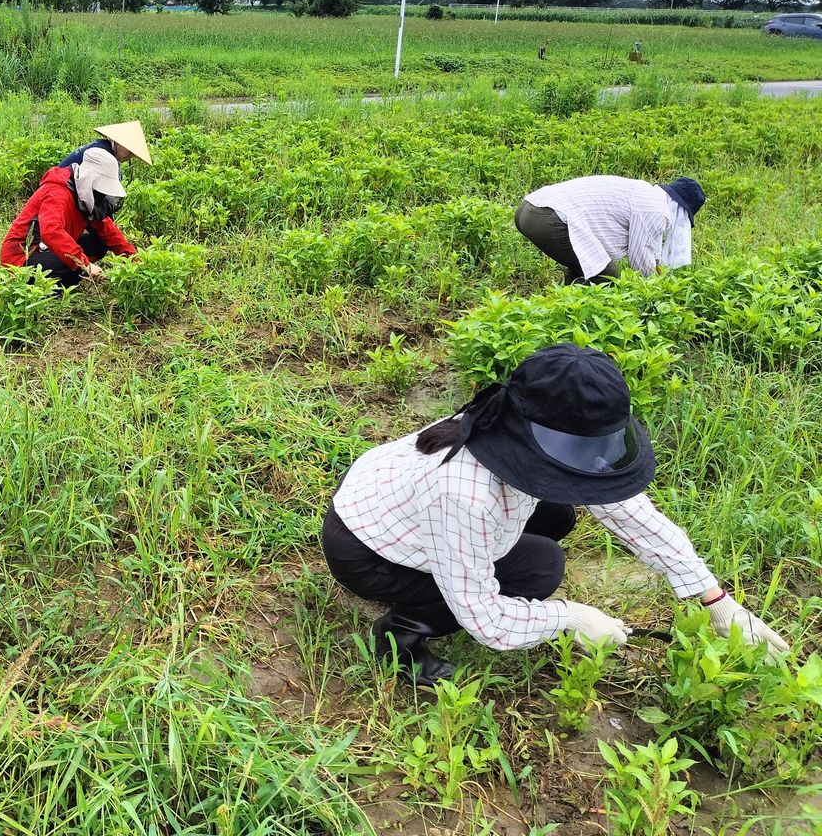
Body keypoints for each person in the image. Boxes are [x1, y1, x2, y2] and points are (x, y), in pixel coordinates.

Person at [321, 343, 787, 687]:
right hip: (366, 548)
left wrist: (716, 601)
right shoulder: (464, 494)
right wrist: (570, 618)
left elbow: (630, 513)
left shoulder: (504, 421)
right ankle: (401, 635)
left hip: (399, 503)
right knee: (540, 571)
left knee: (558, 518)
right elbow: (486, 619)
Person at [514, 176, 705, 285]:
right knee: (605, 273)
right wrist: (655, 292)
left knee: (588, 263)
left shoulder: (645, 192)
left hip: (529, 208)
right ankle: (578, 319)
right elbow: (641, 261)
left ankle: (565, 305)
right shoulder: (654, 208)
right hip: (547, 217)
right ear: (680, 209)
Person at [0, 146, 137, 287]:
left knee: (100, 243)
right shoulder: (57, 192)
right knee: (68, 264)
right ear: (91, 181)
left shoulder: (83, 194)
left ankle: (68, 278)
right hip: (21, 261)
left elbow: (107, 230)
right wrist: (84, 264)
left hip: (49, 250)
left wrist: (135, 259)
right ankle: (52, 288)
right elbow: (51, 232)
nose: (102, 195)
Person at [59, 120, 154, 171]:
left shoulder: (103, 145)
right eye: (130, 152)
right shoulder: (102, 154)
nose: (130, 157)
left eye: (133, 155)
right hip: (59, 190)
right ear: (118, 143)